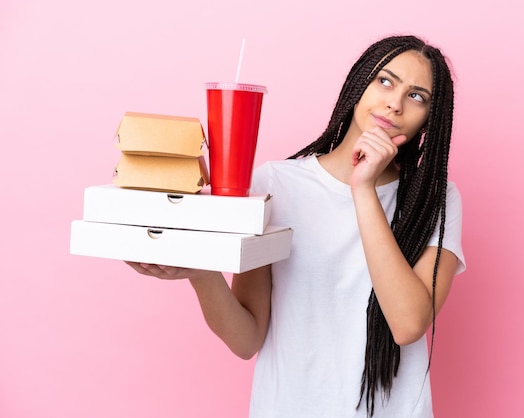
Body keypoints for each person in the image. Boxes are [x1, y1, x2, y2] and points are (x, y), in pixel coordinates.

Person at [126, 34, 466, 418]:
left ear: (428, 121)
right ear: (358, 83)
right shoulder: (275, 184)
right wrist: (202, 273)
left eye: (417, 96)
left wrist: (363, 188)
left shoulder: (434, 199)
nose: (395, 102)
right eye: (384, 81)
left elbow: (407, 325)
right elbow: (246, 338)